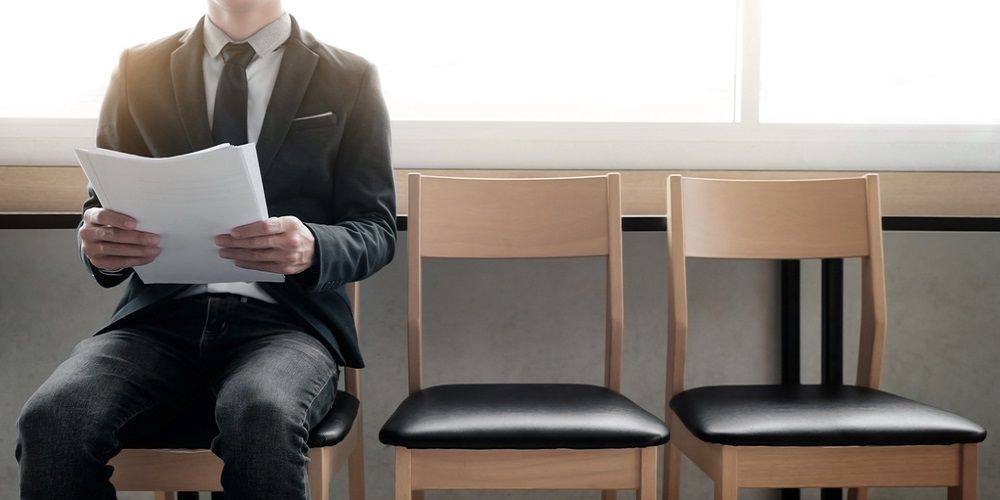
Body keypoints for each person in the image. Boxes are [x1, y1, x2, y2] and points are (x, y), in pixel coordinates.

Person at [15, 0, 396, 498]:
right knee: (52, 418)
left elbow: (376, 228)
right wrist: (100, 244)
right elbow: (101, 206)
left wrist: (314, 246)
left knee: (260, 413)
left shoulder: (350, 76)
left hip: (288, 324)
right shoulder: (138, 69)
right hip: (159, 320)